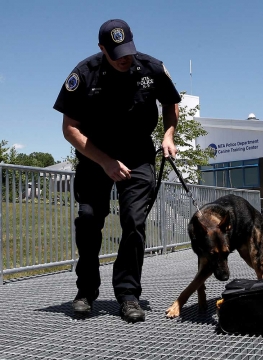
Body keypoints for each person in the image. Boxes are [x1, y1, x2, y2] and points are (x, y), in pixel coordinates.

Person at [53, 19, 181, 323]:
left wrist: (168, 135)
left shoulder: (151, 68)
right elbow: (69, 129)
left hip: (137, 156)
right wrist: (105, 161)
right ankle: (86, 291)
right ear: (101, 49)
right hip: (95, 156)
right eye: (116, 53)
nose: (124, 58)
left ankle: (127, 295)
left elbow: (171, 102)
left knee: (133, 222)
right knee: (88, 219)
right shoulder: (83, 74)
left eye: (128, 51)